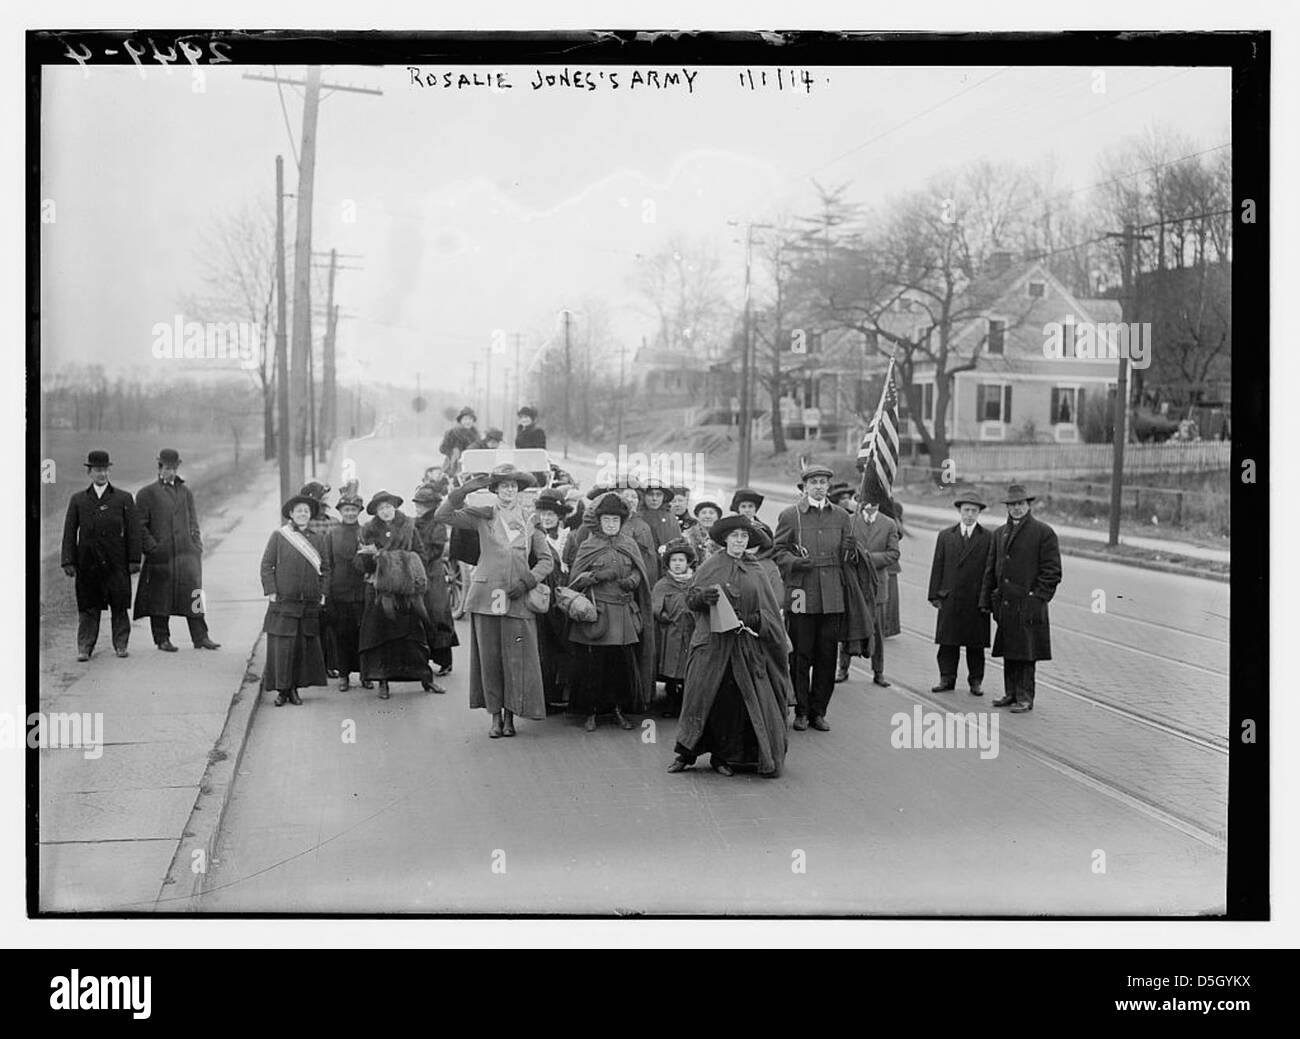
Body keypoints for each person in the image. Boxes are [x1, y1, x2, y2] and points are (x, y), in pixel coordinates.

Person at [668, 515, 793, 778]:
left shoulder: (755, 568)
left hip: (744, 647)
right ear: (725, 539)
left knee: (732, 701)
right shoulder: (712, 565)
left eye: (744, 536)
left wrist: (755, 620)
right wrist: (703, 597)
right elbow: (691, 598)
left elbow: (769, 609)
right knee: (701, 695)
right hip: (713, 645)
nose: (739, 541)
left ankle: (723, 756)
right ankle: (686, 753)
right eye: (735, 536)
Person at [435, 465, 553, 738]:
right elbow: (443, 515)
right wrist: (464, 490)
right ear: (495, 491)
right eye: (503, 486)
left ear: (519, 491)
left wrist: (527, 581)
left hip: (518, 599)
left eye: (513, 486)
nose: (509, 491)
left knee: (515, 659)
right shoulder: (483, 516)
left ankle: (511, 716)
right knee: (490, 660)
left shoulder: (530, 520)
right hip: (486, 597)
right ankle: (494, 717)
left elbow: (546, 560)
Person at [773, 464, 853, 732]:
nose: (819, 486)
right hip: (800, 591)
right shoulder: (790, 515)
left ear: (829, 486)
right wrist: (795, 562)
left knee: (826, 655)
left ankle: (819, 711)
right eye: (814, 482)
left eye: (823, 482)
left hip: (832, 594)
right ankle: (801, 711)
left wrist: (851, 551)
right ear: (804, 486)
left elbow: (849, 558)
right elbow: (777, 551)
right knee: (800, 654)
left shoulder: (842, 517)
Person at [566, 492, 656, 730]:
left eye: (615, 520)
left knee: (620, 667)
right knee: (594, 666)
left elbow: (640, 571)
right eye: (606, 520)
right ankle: (591, 713)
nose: (611, 524)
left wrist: (635, 580)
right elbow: (574, 580)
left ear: (621, 522)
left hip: (624, 615)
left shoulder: (629, 543)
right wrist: (595, 576)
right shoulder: (588, 545)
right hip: (599, 615)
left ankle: (617, 711)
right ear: (599, 521)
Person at [979, 483, 1063, 713]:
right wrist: (987, 600)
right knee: (1010, 650)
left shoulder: (1043, 533)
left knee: (1026, 653)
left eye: (1020, 504)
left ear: (1028, 505)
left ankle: (1025, 697)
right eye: (1012, 505)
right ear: (1007, 507)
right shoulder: (999, 534)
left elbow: (1053, 571)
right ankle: (1011, 693)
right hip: (1005, 604)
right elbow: (990, 570)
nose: (1016, 509)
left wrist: (1037, 598)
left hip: (1028, 605)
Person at [133, 448, 221, 652]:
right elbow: (140, 526)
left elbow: (193, 521)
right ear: (159, 468)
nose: (171, 472)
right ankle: (162, 638)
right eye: (167, 468)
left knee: (195, 595)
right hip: (161, 556)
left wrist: (196, 544)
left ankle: (201, 636)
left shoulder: (185, 492)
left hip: (186, 554)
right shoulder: (147, 493)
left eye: (174, 468)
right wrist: (152, 547)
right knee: (159, 597)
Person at [61, 450, 141, 661]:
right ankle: (85, 647)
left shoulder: (123, 498)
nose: (102, 474)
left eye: (105, 470)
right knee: (88, 606)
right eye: (97, 470)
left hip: (116, 562)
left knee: (119, 605)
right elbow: (70, 531)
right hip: (88, 563)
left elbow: (133, 531)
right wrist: (68, 560)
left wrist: (134, 559)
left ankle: (121, 644)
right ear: (89, 472)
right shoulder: (78, 500)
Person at [355, 491, 434, 700]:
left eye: (389, 507)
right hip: (380, 590)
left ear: (395, 507)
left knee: (414, 634)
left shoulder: (408, 526)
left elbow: (420, 553)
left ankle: (426, 678)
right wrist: (372, 558)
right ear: (376, 512)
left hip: (407, 589)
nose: (386, 511)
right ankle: (383, 681)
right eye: (381, 508)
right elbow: (361, 564)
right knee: (382, 636)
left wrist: (410, 570)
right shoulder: (368, 531)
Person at [259, 493, 331, 706]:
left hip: (308, 604)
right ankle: (282, 690)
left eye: (306, 511)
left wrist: (322, 593)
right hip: (284, 602)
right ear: (291, 514)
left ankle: (295, 690)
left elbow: (325, 569)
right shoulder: (279, 536)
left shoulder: (318, 538)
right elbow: (266, 565)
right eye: (298, 510)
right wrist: (272, 591)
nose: (302, 514)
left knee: (301, 649)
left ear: (310, 516)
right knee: (282, 648)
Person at [927, 494, 992, 696]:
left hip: (976, 599)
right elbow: (937, 566)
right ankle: (946, 678)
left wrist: (987, 599)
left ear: (979, 513)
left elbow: (991, 570)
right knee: (948, 642)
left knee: (976, 644)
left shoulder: (988, 537)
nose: (970, 515)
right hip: (950, 597)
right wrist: (934, 595)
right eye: (966, 510)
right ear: (959, 511)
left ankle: (975, 681)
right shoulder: (946, 535)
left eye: (974, 511)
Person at [844, 488, 900, 686]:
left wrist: (868, 558)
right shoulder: (850, 521)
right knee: (849, 625)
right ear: (861, 501)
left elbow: (894, 554)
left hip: (877, 585)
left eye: (877, 501)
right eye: (869, 499)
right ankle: (843, 668)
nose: (872, 504)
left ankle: (878, 672)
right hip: (854, 584)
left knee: (877, 630)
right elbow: (842, 551)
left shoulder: (889, 524)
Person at [321, 487, 369, 691]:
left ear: (359, 511)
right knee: (341, 634)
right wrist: (327, 591)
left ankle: (366, 675)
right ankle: (343, 675)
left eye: (354, 509)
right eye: (346, 509)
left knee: (364, 634)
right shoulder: (332, 534)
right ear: (341, 511)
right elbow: (327, 564)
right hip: (339, 592)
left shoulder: (366, 532)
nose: (350, 513)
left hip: (362, 591)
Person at [411, 484, 456, 689]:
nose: (419, 508)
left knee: (437, 614)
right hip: (419, 574)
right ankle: (424, 658)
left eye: (422, 505)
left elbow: (435, 549)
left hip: (433, 573)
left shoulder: (437, 524)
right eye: (418, 504)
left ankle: (445, 660)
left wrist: (417, 558)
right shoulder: (413, 524)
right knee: (421, 615)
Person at [532, 489, 573, 712]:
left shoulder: (569, 537)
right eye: (543, 514)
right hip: (542, 598)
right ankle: (546, 696)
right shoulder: (534, 537)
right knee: (544, 647)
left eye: (551, 514)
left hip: (565, 598)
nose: (546, 518)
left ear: (559, 516)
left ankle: (564, 691)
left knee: (566, 645)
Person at [652, 537, 696, 718]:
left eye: (681, 560)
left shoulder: (695, 582)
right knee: (670, 666)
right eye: (674, 561)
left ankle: (686, 702)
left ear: (687, 563)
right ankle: (670, 700)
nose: (678, 564)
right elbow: (655, 605)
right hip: (670, 631)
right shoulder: (663, 584)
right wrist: (661, 615)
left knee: (689, 666)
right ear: (668, 563)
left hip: (691, 631)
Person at [730, 488, 781, 604]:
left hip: (759, 563)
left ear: (756, 509)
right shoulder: (730, 526)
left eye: (750, 506)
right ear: (738, 508)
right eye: (743, 506)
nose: (747, 510)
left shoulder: (763, 528)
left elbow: (770, 547)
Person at [637, 481, 682, 554]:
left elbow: (678, 544)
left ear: (664, 497)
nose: (654, 498)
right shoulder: (636, 517)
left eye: (659, 494)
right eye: (650, 494)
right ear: (643, 496)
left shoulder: (671, 518)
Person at [439, 407, 479, 473]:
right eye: (465, 419)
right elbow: (443, 448)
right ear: (460, 420)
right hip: (454, 465)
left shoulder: (475, 434)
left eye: (470, 419)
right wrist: (454, 452)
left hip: (471, 465)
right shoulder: (453, 433)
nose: (468, 421)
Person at [684, 499, 723, 565]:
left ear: (718, 517)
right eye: (703, 513)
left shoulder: (724, 536)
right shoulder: (687, 536)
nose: (707, 516)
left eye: (711, 513)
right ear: (697, 516)